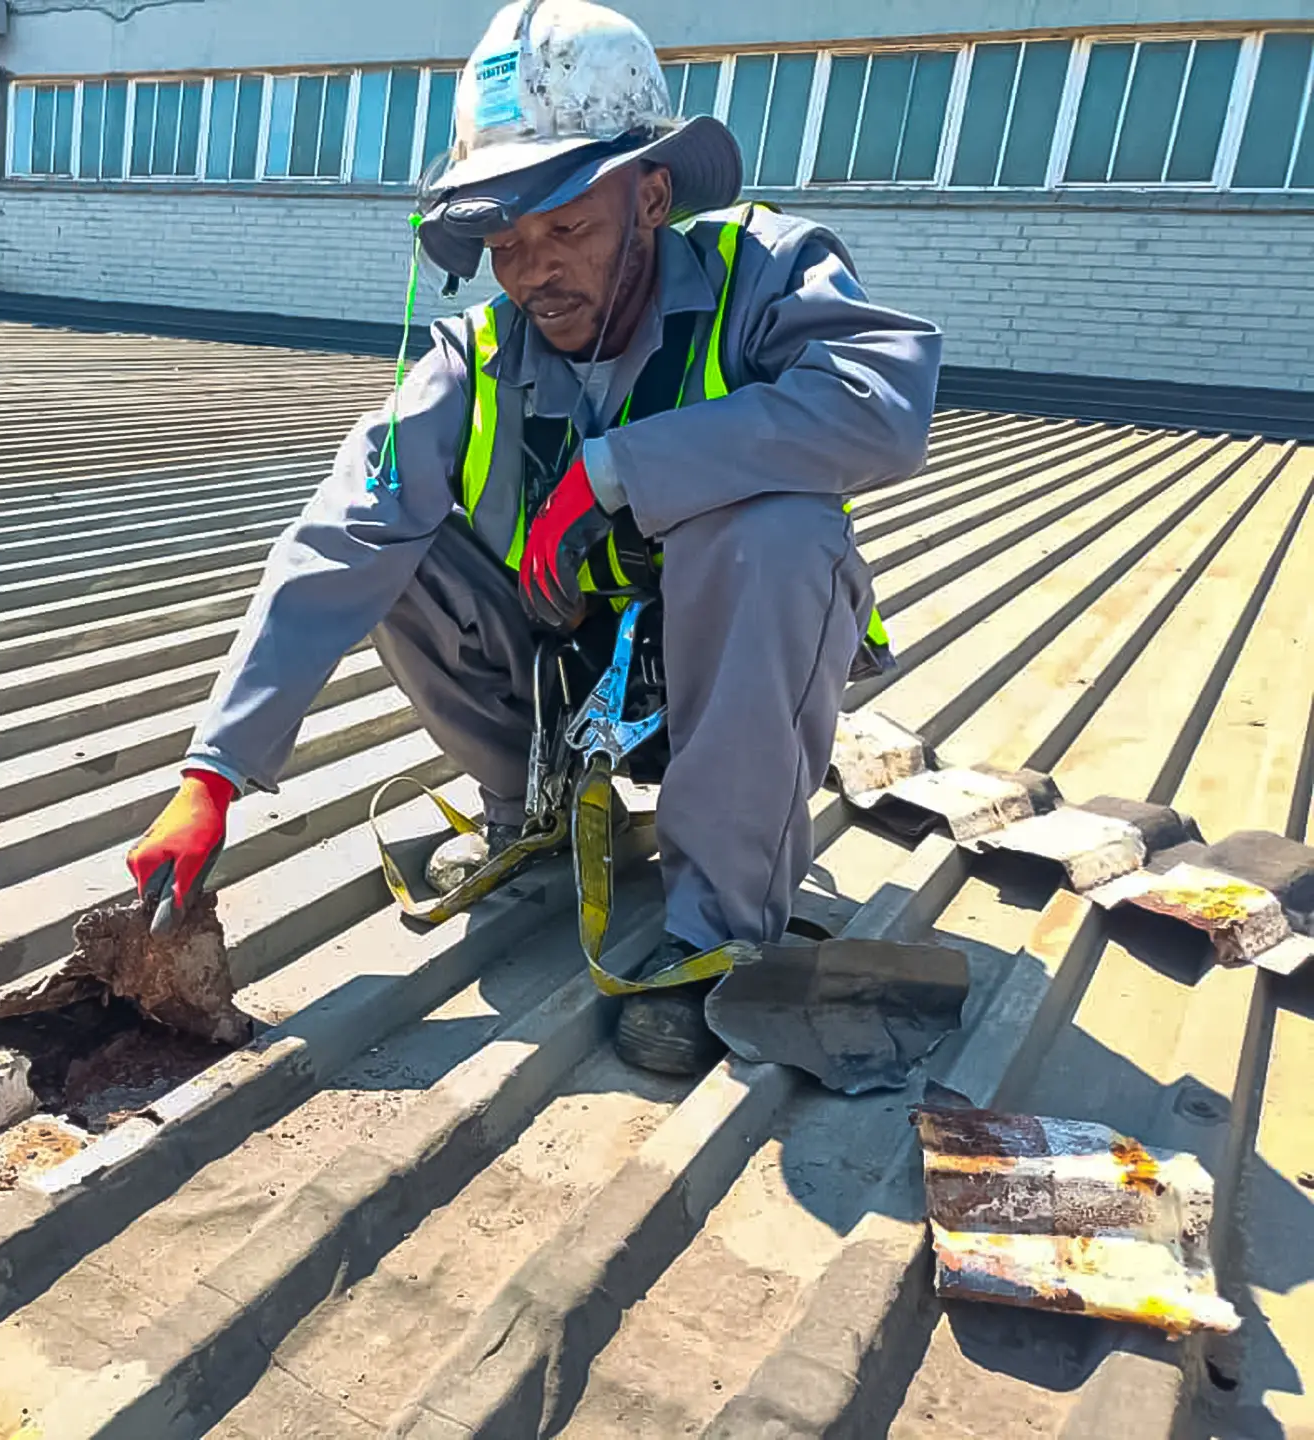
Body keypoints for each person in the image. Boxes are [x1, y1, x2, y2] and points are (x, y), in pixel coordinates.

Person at [126, 0, 942, 1075]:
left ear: (651, 196)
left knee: (778, 534)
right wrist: (214, 774)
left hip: (727, 679)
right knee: (394, 546)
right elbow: (338, 539)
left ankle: (718, 935)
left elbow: (884, 410)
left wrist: (614, 472)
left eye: (566, 230)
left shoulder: (768, 274)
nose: (534, 271)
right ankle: (530, 809)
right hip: (559, 677)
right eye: (506, 243)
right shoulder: (472, 361)